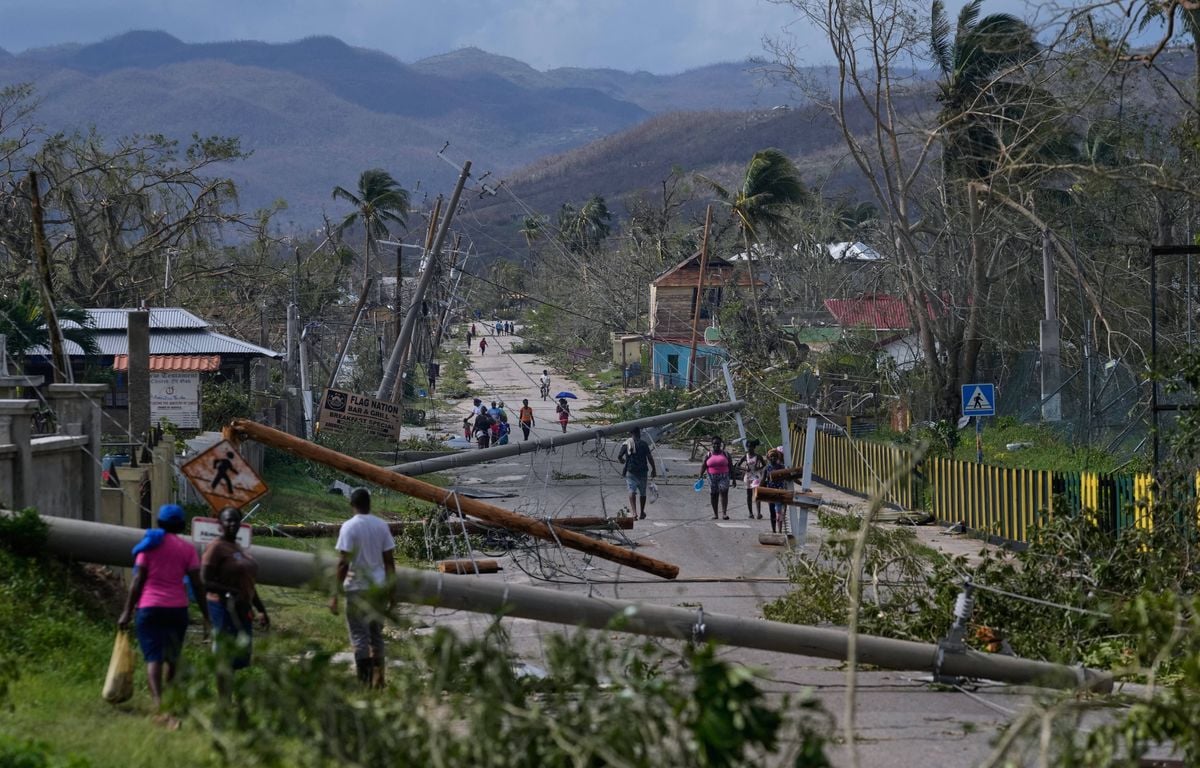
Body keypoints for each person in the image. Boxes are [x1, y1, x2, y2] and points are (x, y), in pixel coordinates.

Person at [118, 504, 210, 718]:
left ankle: (159, 704)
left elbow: (138, 581)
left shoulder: (149, 546)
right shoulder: (187, 550)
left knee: (153, 659)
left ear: (159, 523)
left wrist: (126, 611)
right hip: (177, 609)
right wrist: (207, 615)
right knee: (172, 657)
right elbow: (197, 583)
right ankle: (168, 700)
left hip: (149, 608)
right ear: (181, 525)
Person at [330, 488, 396, 688]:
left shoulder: (349, 527)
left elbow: (343, 563)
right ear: (369, 504)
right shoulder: (381, 525)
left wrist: (334, 594)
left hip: (357, 589)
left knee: (360, 637)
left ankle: (364, 683)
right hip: (378, 588)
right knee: (376, 636)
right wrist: (392, 593)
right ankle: (380, 678)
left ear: (352, 505)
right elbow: (389, 563)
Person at [202, 507, 268, 695]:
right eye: (227, 520)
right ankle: (224, 699)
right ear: (220, 524)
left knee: (239, 656)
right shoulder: (216, 547)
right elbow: (205, 581)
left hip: (242, 606)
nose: (232, 524)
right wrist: (231, 592)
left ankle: (230, 694)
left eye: (235, 520)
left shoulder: (238, 547)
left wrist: (261, 609)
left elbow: (248, 585)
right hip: (222, 606)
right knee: (225, 653)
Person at [618, 427, 658, 520]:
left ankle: (634, 513)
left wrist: (622, 460)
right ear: (639, 434)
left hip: (631, 471)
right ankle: (642, 512)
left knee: (631, 491)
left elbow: (619, 456)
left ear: (631, 434)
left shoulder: (626, 444)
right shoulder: (644, 444)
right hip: (643, 471)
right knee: (643, 492)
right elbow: (649, 457)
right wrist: (654, 469)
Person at [700, 436, 735, 520]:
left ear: (720, 444)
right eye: (714, 444)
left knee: (724, 492)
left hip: (724, 476)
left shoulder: (726, 454)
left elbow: (731, 466)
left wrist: (733, 479)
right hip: (711, 477)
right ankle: (715, 514)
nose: (716, 445)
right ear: (712, 444)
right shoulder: (708, 454)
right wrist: (700, 476)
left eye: (718, 444)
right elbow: (703, 465)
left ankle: (724, 514)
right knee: (713, 494)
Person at [734, 439, 767, 520]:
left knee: (757, 494)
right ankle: (750, 513)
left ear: (754, 447)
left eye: (751, 447)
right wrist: (745, 469)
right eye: (748, 447)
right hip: (748, 476)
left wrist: (759, 468)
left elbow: (765, 466)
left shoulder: (758, 456)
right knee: (749, 495)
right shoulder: (745, 456)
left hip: (756, 476)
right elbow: (737, 466)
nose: (749, 449)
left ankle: (758, 513)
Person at [763, 449, 788, 534]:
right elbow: (763, 481)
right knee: (772, 512)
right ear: (768, 458)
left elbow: (789, 477)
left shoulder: (781, 467)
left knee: (779, 511)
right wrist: (758, 491)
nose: (773, 458)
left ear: (777, 457)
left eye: (774, 456)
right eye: (771, 457)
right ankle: (774, 530)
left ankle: (780, 531)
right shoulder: (766, 468)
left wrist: (801, 484)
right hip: (770, 492)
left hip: (779, 492)